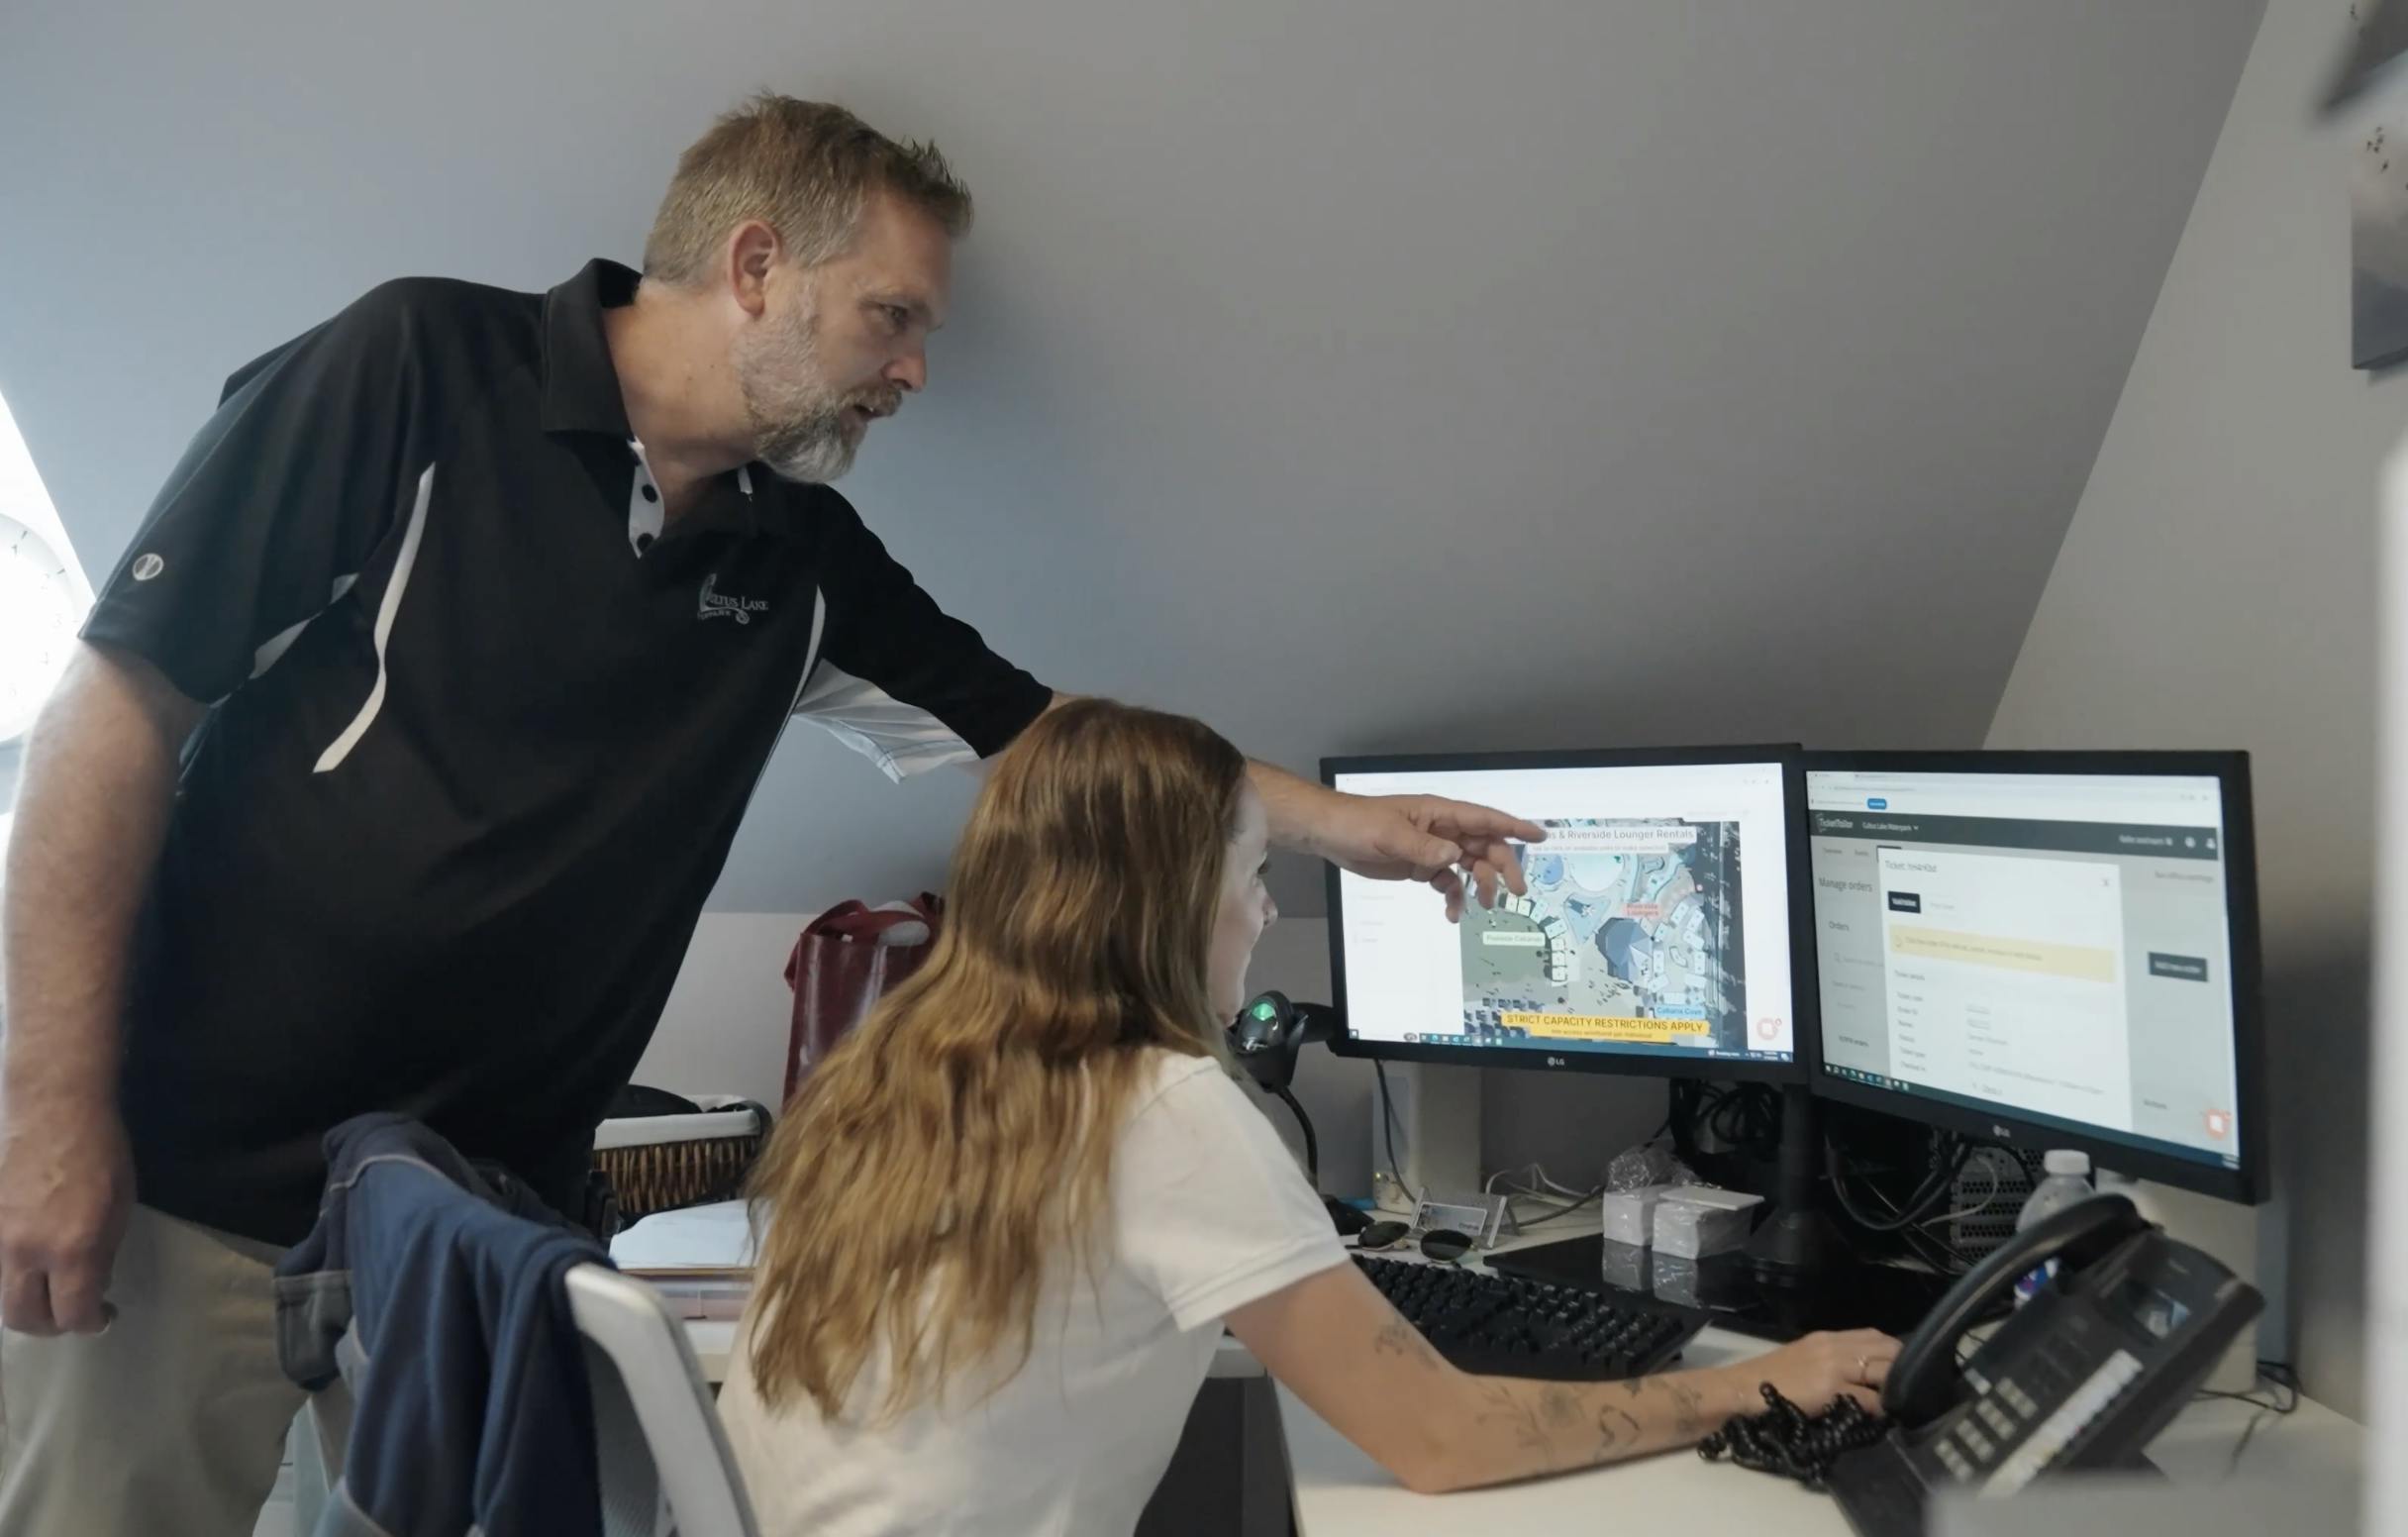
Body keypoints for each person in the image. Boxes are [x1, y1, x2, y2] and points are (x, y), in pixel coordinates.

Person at [0, 95, 1541, 1535]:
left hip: (480, 1224)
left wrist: (1353, 829)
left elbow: (1052, 747)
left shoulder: (799, 558)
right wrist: (52, 1109)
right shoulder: (414, 368)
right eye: (894, 317)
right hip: (184, 1171)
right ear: (755, 267)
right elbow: (116, 709)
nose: (914, 371)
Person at [724, 697, 1898, 1535]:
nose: (1262, 909)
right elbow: (1439, 1441)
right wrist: (1755, 1380)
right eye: (1250, 877)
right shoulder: (1155, 1101)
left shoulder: (893, 1061)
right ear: (1177, 908)